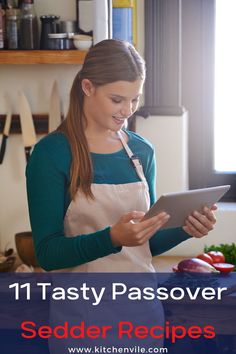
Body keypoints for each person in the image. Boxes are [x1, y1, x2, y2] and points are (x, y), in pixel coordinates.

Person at [26, 39, 216, 273]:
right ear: (88, 87)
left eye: (134, 99)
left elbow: (147, 244)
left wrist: (187, 229)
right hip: (82, 305)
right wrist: (112, 238)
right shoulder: (51, 154)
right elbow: (48, 255)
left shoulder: (141, 151)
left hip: (141, 303)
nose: (127, 111)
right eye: (117, 100)